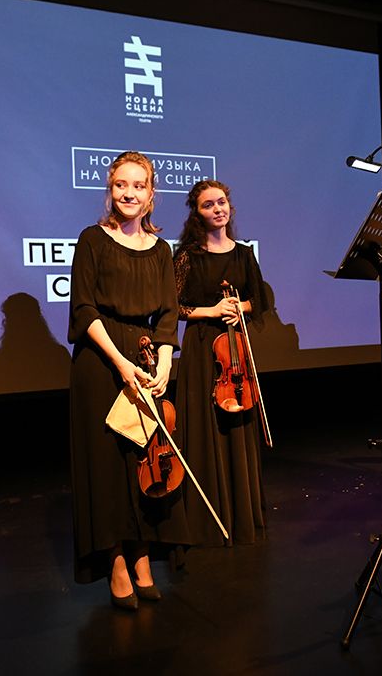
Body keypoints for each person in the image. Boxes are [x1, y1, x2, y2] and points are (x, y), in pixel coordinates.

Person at [68, 150, 189, 610]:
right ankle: (116, 560)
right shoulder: (92, 239)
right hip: (102, 361)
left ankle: (142, 553)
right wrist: (121, 364)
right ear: (110, 189)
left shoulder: (161, 249)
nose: (129, 193)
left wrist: (164, 363)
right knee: (106, 465)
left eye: (139, 186)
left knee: (142, 462)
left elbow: (168, 313)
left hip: (146, 357)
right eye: (121, 184)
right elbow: (83, 308)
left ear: (151, 193)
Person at [173, 180, 270, 546]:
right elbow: (174, 306)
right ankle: (208, 515)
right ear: (197, 214)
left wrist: (238, 307)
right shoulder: (188, 256)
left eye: (222, 202)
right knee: (205, 427)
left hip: (234, 351)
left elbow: (259, 300)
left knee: (238, 424)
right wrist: (211, 311)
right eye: (208, 205)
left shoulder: (243, 254)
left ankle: (241, 510)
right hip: (202, 349)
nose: (218, 209)